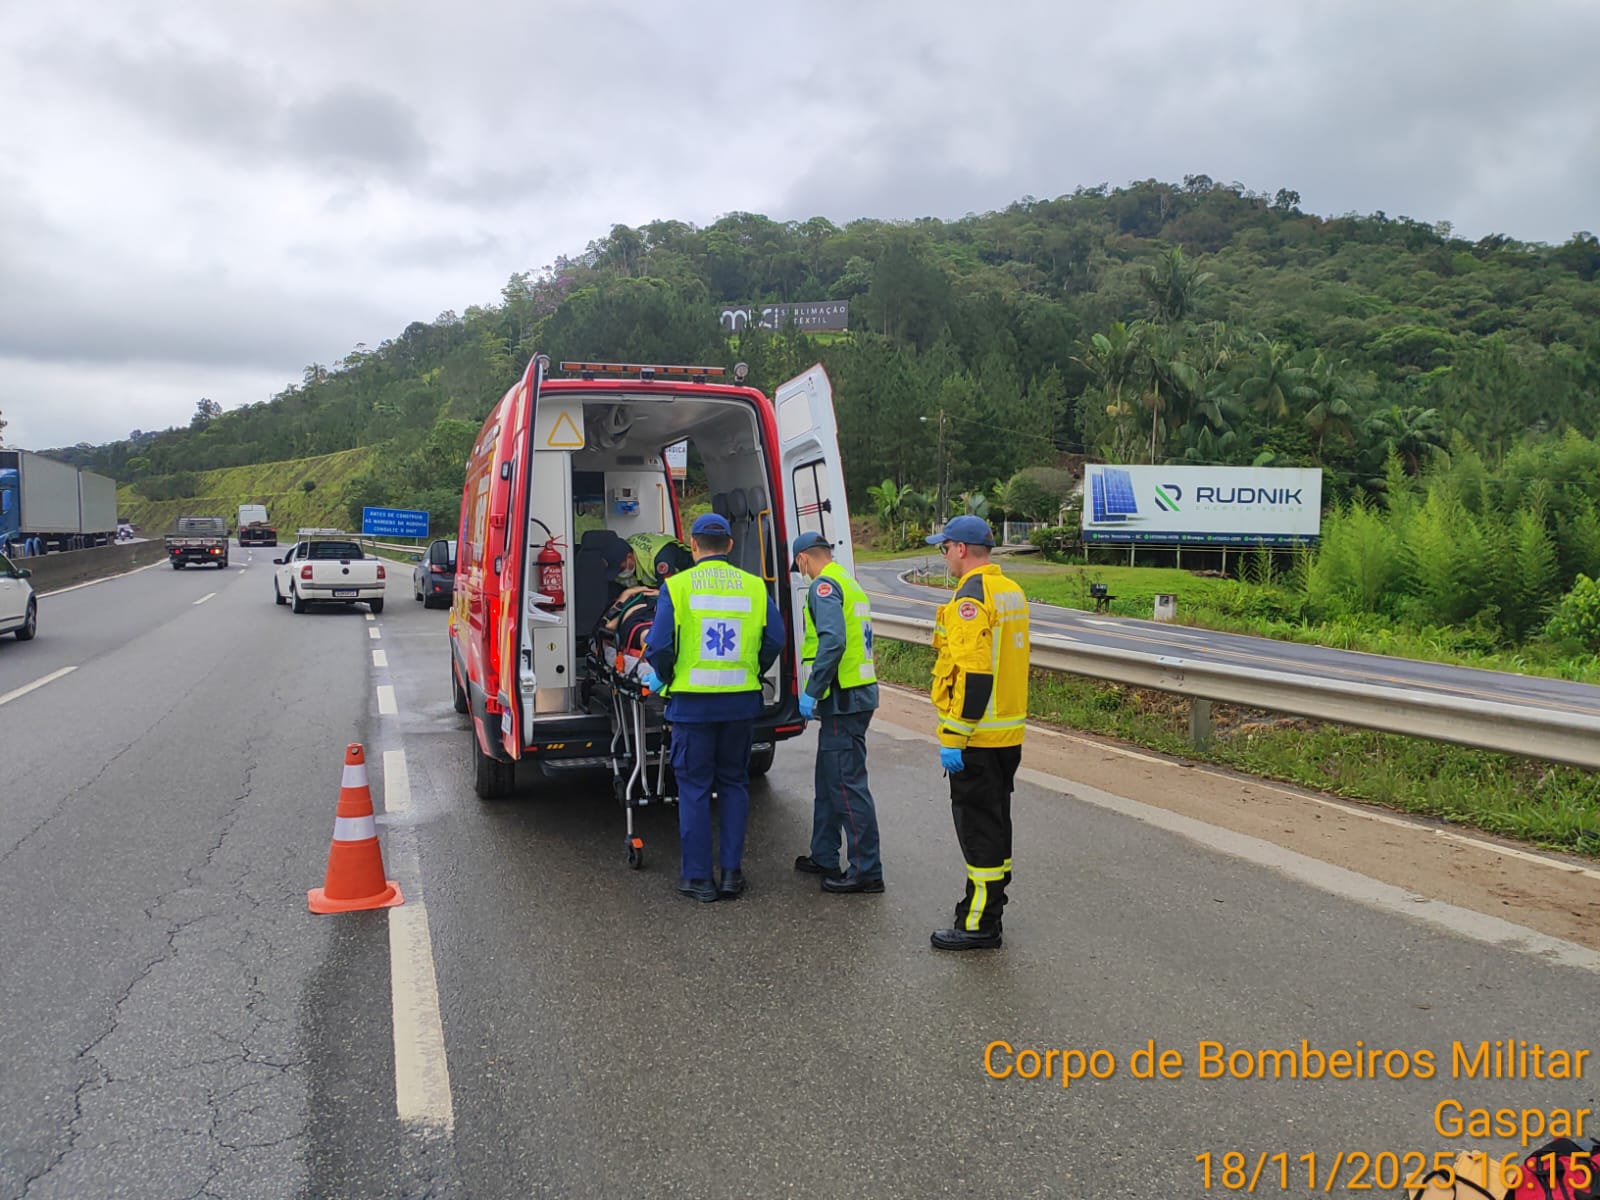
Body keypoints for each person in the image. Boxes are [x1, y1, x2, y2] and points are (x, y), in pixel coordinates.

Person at [642, 513, 785, 903]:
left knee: (694, 789)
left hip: (692, 707)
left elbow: (658, 646)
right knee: (735, 785)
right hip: (740, 704)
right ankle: (733, 876)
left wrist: (665, 676)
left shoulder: (678, 585)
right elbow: (776, 638)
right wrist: (751, 668)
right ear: (731, 545)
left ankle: (699, 879)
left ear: (693, 545)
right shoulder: (755, 587)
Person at [923, 515, 1029, 951]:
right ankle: (984, 905)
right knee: (995, 825)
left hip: (979, 738)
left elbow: (974, 673)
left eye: (944, 548)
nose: (944, 555)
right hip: (1007, 734)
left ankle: (980, 925)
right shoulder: (1010, 590)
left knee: (979, 831)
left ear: (961, 549)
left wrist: (955, 735)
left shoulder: (971, 595)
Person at [790, 531, 884, 894]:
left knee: (846, 786)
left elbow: (832, 640)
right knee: (829, 782)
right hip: (854, 695)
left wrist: (812, 691)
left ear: (803, 559)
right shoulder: (849, 582)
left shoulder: (824, 586)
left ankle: (867, 870)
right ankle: (824, 854)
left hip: (842, 698)